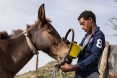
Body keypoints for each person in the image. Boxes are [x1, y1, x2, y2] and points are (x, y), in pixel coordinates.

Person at [60, 10, 105, 78]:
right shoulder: (86, 36)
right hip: (80, 74)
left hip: (90, 74)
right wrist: (69, 45)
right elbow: (78, 52)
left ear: (90, 20)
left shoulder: (99, 35)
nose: (82, 27)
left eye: (83, 23)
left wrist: (75, 66)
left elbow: (95, 56)